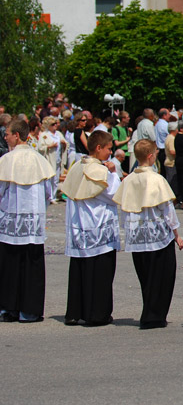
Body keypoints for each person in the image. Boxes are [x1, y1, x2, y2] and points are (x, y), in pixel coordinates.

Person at [113, 139, 183, 329]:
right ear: (151, 156)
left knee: (145, 276)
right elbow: (167, 209)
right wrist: (176, 233)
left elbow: (125, 209)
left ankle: (149, 311)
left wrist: (128, 230)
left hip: (137, 235)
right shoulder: (156, 179)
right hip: (158, 235)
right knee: (161, 277)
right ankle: (154, 315)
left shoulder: (128, 180)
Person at [61, 130, 119, 326]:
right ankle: (96, 313)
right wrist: (113, 173)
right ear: (98, 148)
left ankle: (74, 312)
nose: (110, 153)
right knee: (99, 272)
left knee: (80, 271)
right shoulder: (101, 172)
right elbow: (115, 195)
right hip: (98, 228)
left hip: (79, 226)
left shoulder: (77, 167)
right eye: (109, 149)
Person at [0, 119, 55, 323]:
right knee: (31, 267)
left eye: (7, 133)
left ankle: (9, 308)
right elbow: (49, 192)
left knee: (10, 266)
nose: (5, 137)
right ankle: (29, 311)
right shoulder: (39, 160)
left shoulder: (6, 160)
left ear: (17, 135)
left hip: (11, 222)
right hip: (33, 222)